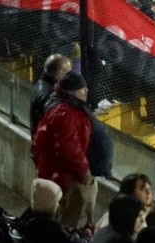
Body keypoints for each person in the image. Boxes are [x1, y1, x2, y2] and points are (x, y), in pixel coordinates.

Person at [32, 71, 95, 229]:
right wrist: (84, 170)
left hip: (58, 175)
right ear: (72, 92)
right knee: (66, 222)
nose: (86, 91)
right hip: (64, 179)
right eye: (82, 88)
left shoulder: (63, 108)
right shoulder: (65, 113)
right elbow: (69, 148)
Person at [17, 179, 82, 243]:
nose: (58, 205)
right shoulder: (54, 230)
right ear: (50, 205)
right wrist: (78, 234)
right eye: (56, 202)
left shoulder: (26, 219)